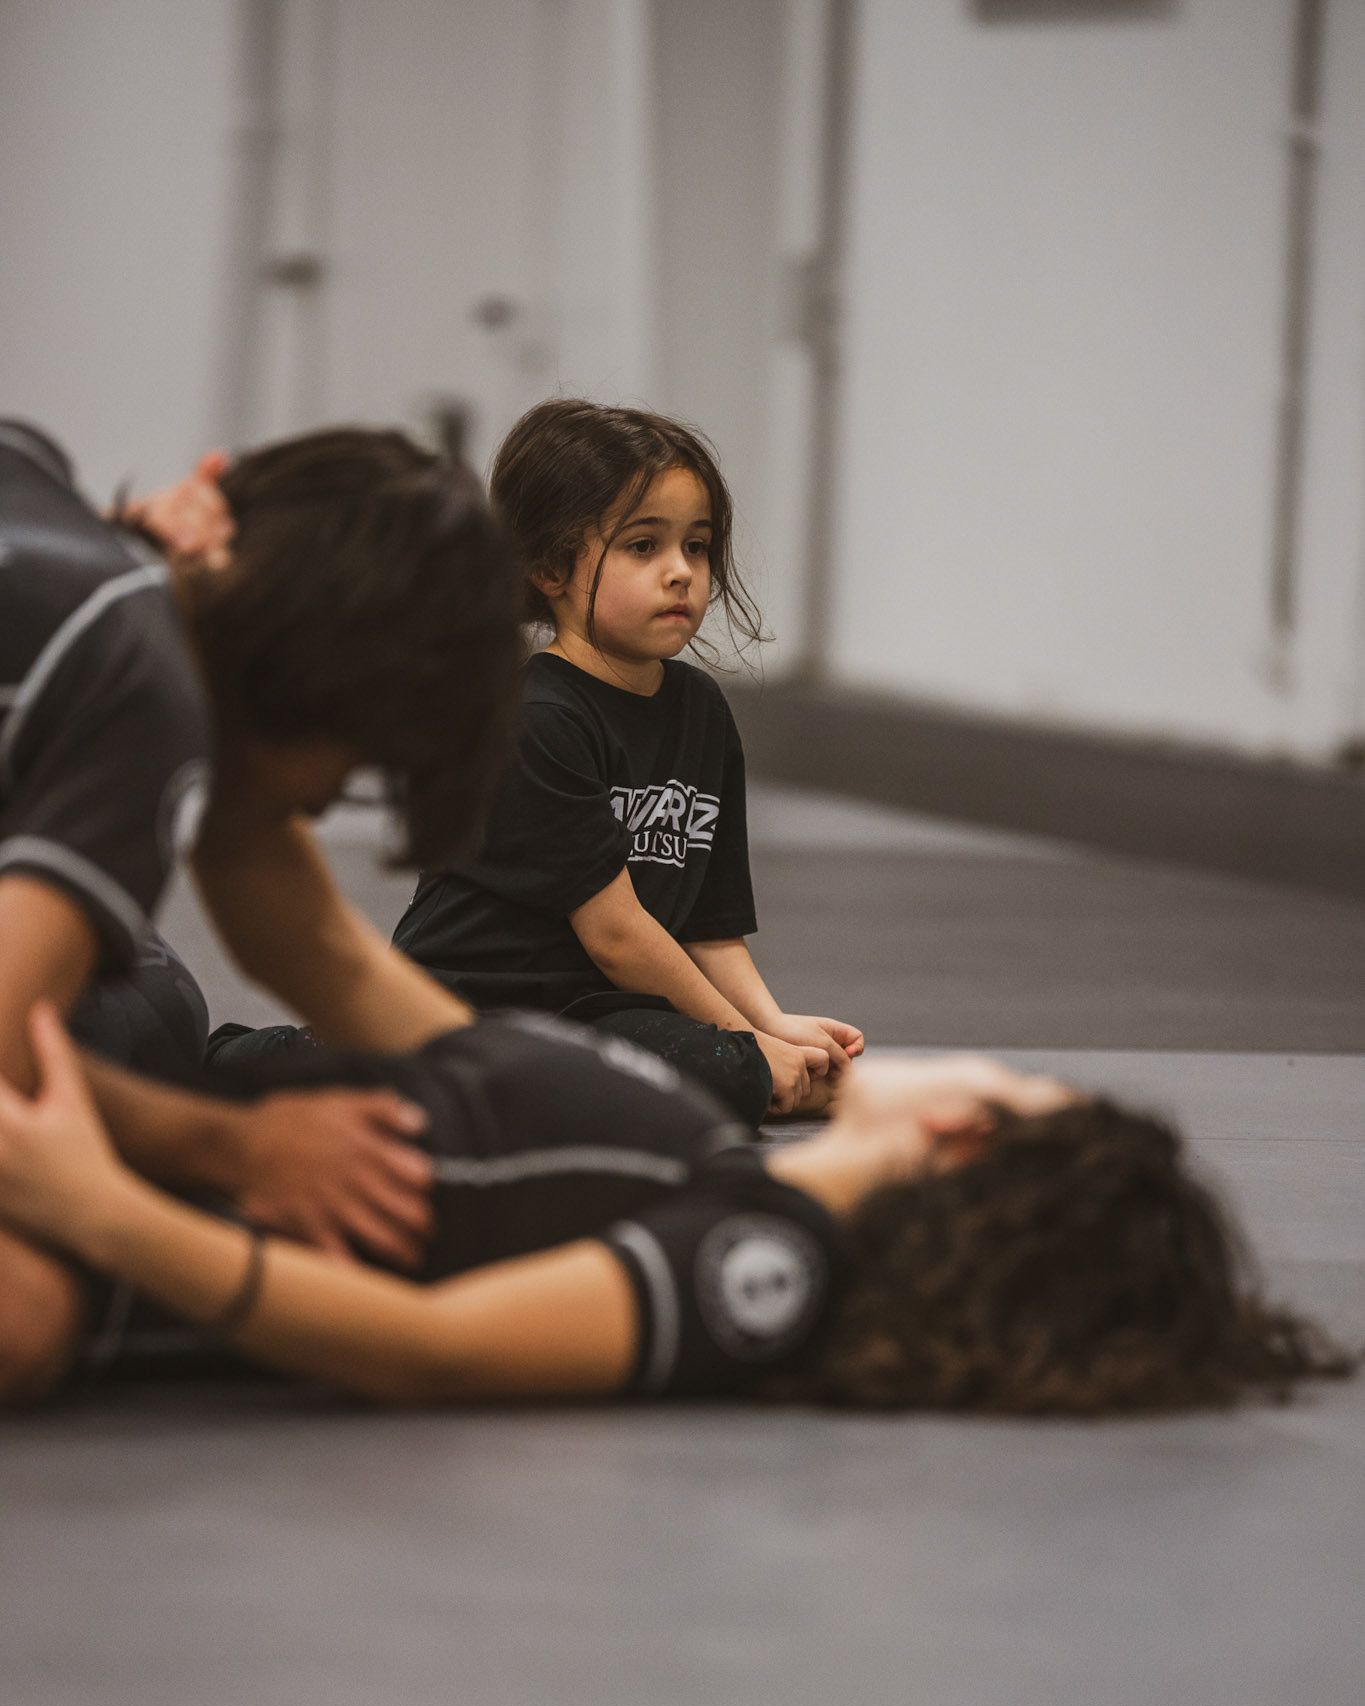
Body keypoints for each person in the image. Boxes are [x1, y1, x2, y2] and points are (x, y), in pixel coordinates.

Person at [0, 1001, 1349, 1416]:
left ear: (963, 1134)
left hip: (91, 1240)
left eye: (1011, 1075)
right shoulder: (723, 1164)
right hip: (161, 1134)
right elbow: (377, 997)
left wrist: (100, 1208)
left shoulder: (767, 1263)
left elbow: (439, 1349)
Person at [0, 421, 522, 1397]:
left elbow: (312, 940)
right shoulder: (144, 685)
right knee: (26, 1306)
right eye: (357, 766)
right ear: (319, 686)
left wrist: (523, 1105)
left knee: (147, 1002)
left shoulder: (41, 485)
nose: (320, 808)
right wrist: (237, 1150)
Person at [393, 399, 865, 1128]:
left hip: (604, 1012)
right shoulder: (538, 718)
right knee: (719, 1068)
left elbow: (708, 925)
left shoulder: (701, 711)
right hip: (475, 1008)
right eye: (643, 546)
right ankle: (285, 1056)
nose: (681, 573)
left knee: (732, 1064)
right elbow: (616, 935)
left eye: (697, 547)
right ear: (550, 566)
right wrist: (747, 1047)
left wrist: (769, 1025)